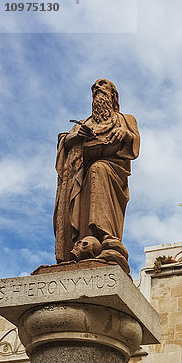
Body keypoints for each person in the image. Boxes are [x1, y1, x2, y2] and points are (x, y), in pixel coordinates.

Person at [53, 79, 140, 273]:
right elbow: (65, 141)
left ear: (113, 96)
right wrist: (78, 136)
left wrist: (124, 134)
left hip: (113, 169)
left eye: (102, 89)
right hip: (82, 175)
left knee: (98, 169)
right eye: (95, 92)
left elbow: (134, 145)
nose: (97, 92)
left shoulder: (126, 119)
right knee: (92, 173)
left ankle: (107, 236)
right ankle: (83, 244)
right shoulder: (85, 123)